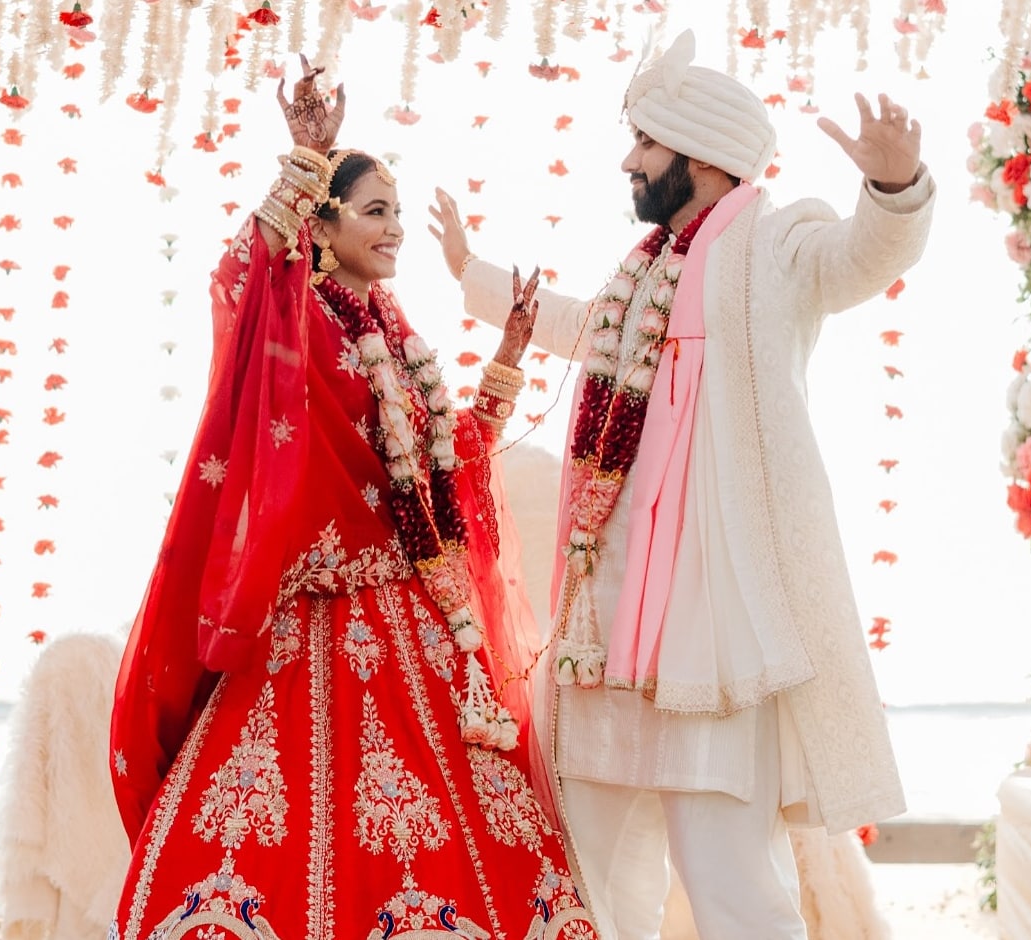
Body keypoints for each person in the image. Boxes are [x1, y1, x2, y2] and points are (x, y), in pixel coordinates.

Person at [429, 30, 935, 940]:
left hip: (711, 628)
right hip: (604, 617)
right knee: (576, 872)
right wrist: (475, 276)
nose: (629, 161)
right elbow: (587, 326)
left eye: (646, 144)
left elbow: (861, 257)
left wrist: (895, 190)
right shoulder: (644, 272)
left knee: (735, 887)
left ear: (699, 155)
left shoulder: (777, 244)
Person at [110, 58, 597, 940]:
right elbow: (243, 275)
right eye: (377, 212)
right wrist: (303, 160)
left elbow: (445, 478)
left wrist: (508, 362)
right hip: (310, 617)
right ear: (324, 225)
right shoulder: (301, 315)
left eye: (399, 214)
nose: (398, 231)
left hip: (413, 619)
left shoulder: (394, 333)